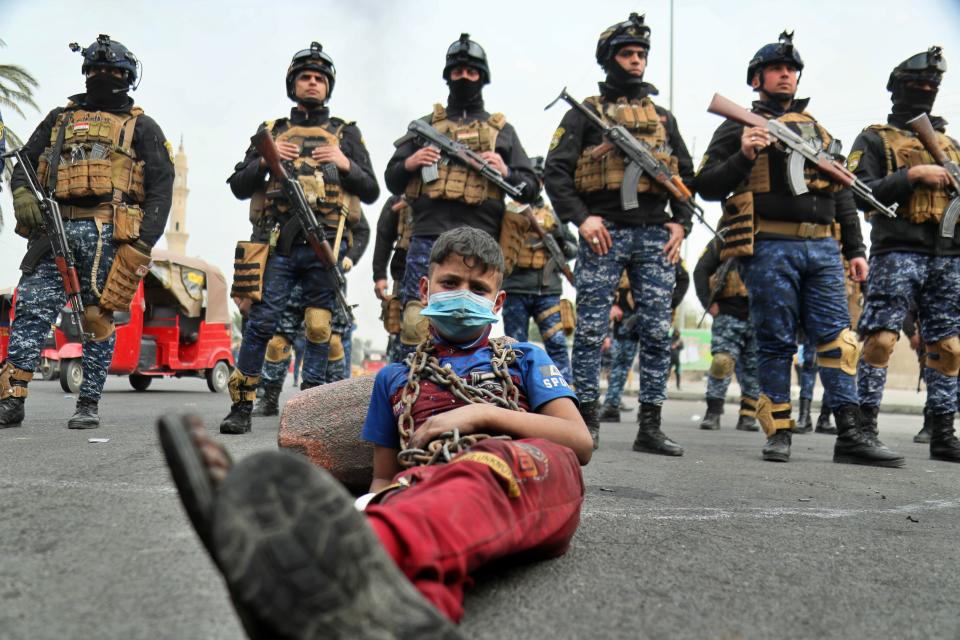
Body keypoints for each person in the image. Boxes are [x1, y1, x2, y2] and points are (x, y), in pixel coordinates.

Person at [158, 227, 592, 637]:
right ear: (424, 292)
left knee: (488, 468)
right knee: (418, 507)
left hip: (531, 477)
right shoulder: (396, 378)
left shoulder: (524, 357)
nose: (463, 296)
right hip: (432, 486)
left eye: (478, 289)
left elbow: (578, 443)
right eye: (450, 282)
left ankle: (325, 559)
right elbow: (385, 476)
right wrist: (371, 500)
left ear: (497, 304)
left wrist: (482, 415)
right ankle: (391, 617)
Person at [695, 31, 903, 466]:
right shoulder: (737, 126)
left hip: (823, 249)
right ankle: (779, 433)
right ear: (757, 80)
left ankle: (849, 432)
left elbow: (842, 192)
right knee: (775, 341)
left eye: (791, 69)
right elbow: (707, 185)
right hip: (769, 245)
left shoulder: (818, 131)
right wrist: (744, 156)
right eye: (776, 68)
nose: (786, 74)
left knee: (838, 341)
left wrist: (855, 248)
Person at [0, 34, 173, 429]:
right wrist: (24, 195)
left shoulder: (142, 127)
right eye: (95, 69)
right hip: (53, 230)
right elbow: (25, 164)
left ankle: (88, 403)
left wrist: (142, 244)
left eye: (111, 71)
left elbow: (161, 187)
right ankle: (12, 397)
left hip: (110, 236)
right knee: (30, 310)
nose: (102, 76)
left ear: (127, 77)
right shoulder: (60, 119)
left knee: (99, 319)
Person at [544, 13, 693, 455]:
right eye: (627, 54)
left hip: (653, 234)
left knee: (656, 332)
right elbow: (556, 172)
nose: (636, 61)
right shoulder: (585, 113)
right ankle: (585, 422)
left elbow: (684, 173)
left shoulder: (663, 118)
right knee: (590, 330)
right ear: (609, 59)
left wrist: (681, 221)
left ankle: (650, 424)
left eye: (641, 54)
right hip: (603, 231)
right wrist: (581, 218)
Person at [222, 42, 379, 434]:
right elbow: (239, 185)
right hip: (277, 246)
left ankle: (309, 411)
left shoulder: (345, 133)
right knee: (261, 324)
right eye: (306, 77)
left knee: (319, 327)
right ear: (294, 84)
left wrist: (344, 163)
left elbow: (373, 189)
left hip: (324, 245)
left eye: (319, 78)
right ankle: (241, 406)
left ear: (328, 86)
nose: (313, 83)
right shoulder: (273, 131)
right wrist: (265, 160)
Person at [384, 33, 539, 358]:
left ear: (482, 77)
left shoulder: (502, 132)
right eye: (458, 71)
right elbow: (391, 178)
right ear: (448, 76)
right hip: (427, 234)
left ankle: (468, 388)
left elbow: (531, 187)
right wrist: (412, 161)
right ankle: (406, 392)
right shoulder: (424, 127)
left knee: (473, 322)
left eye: (471, 72)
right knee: (415, 322)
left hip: (482, 238)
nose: (465, 77)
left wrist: (505, 171)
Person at [848, 46, 960, 463]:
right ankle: (864, 428)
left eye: (932, 86)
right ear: (896, 89)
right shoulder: (874, 138)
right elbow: (859, 192)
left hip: (947, 256)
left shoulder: (951, 145)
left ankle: (944, 431)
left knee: (948, 349)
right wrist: (910, 175)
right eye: (916, 85)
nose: (924, 91)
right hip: (897, 250)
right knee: (879, 340)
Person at [502, 156, 578, 381]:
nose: (537, 182)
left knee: (557, 345)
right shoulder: (507, 213)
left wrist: (560, 243)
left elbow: (574, 249)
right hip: (516, 288)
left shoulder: (554, 216)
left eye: (539, 178)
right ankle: (516, 391)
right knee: (515, 348)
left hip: (548, 291)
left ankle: (565, 391)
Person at [600, 261, 689, 421]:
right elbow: (609, 273)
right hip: (625, 317)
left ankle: (649, 411)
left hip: (654, 314)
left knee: (654, 362)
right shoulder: (624, 241)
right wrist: (611, 304)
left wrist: (668, 304)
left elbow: (683, 278)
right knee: (620, 362)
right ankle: (612, 406)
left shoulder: (664, 243)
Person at [693, 238, 760, 431]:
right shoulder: (725, 238)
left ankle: (748, 416)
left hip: (759, 314)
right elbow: (701, 270)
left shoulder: (769, 234)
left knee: (754, 368)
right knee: (722, 362)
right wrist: (707, 302)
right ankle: (713, 413)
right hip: (728, 313)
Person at [372, 195, 412, 363]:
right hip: (405, 275)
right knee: (402, 332)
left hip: (446, 276)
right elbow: (384, 235)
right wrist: (379, 275)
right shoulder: (402, 196)